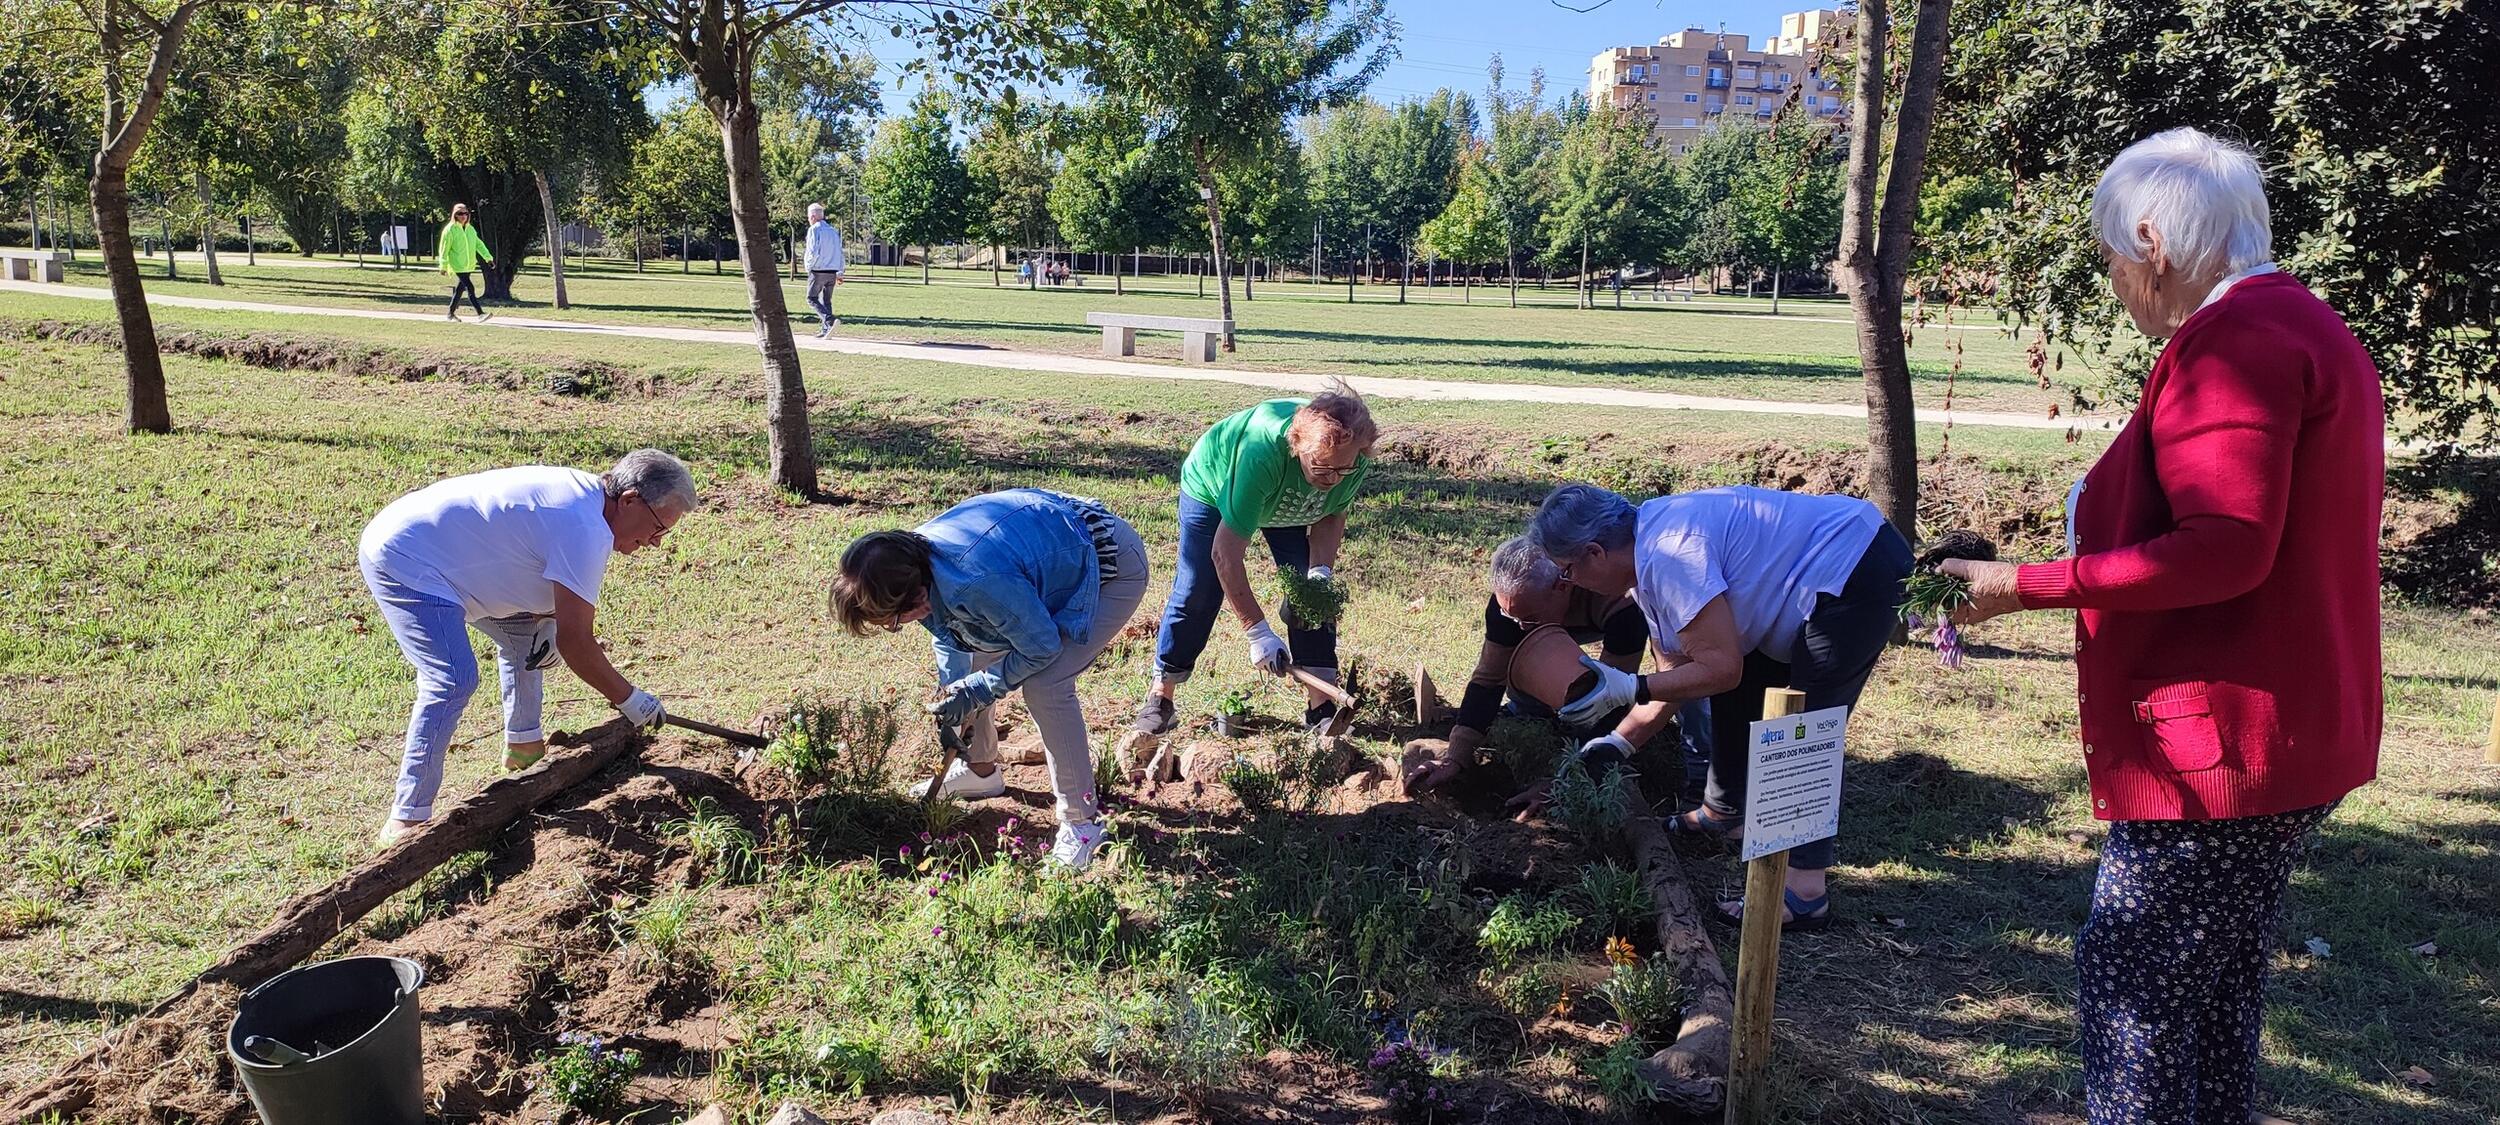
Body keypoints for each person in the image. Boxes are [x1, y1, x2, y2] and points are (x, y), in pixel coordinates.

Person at [1937, 128, 2382, 1125]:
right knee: (2212, 991)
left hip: (2221, 749)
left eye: (2108, 258)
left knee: (2132, 991)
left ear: (2152, 239)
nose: (2112, 281)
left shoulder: (2239, 344)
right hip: (2289, 732)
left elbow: (2224, 548)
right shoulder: (2305, 325)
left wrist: (2024, 583)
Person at [1530, 481, 1911, 931]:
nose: (1570, 583)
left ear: (1594, 553)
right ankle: (1723, 811)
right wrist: (1617, 742)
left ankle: (1805, 890)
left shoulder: (1671, 555)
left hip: (1854, 567)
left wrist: (1631, 687)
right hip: (1817, 573)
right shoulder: (1645, 558)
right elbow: (1680, 670)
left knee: (1805, 724)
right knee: (1742, 684)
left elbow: (1717, 668)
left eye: (1567, 571)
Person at [358, 450, 692, 845]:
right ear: (631, 500)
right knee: (452, 678)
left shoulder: (587, 498)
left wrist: (546, 621)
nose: (654, 543)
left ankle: (525, 749)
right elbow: (576, 642)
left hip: (449, 557)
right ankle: (406, 820)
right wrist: (631, 700)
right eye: (657, 529)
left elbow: (537, 568)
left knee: (524, 640)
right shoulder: (584, 527)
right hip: (409, 559)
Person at [831, 489, 1149, 871]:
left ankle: (1081, 824)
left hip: (1107, 561)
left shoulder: (973, 581)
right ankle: (981, 771)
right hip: (1046, 554)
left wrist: (978, 688)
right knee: (968, 673)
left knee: (1046, 684)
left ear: (917, 597)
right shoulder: (907, 565)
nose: (896, 627)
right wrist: (955, 698)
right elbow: (950, 636)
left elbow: (1041, 647)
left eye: (894, 622)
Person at [1135, 388, 1377, 738]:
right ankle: (1162, 695)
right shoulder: (1261, 454)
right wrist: (1258, 633)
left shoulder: (1351, 459)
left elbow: (1331, 513)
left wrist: (1320, 573)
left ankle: (1321, 707)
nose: (1333, 479)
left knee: (1311, 598)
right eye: (1323, 467)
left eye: (1343, 469)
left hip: (1289, 502)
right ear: (1297, 446)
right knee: (1198, 591)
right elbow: (1225, 554)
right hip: (1216, 486)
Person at [1400, 536, 1677, 804]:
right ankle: (1533, 711)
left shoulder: (1618, 601)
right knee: (1526, 670)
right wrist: (1455, 757)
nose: (1519, 625)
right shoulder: (1511, 606)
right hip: (1555, 621)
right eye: (1512, 616)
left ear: (1562, 586)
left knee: (1598, 693)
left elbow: (1610, 700)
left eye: (1528, 618)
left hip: (1636, 619)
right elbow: (1488, 679)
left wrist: (1564, 778)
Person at [439, 203, 494, 322]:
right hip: (457, 264)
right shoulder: (450, 230)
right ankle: (480, 313)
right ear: (455, 215)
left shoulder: (470, 229)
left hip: (468, 265)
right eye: (460, 213)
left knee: (460, 289)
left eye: (465, 213)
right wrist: (443, 265)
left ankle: (450, 314)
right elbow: (444, 249)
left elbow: (478, 244)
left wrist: (488, 258)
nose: (463, 216)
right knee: (470, 287)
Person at [802, 203, 845, 337]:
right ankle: (826, 330)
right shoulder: (833, 231)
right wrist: (840, 272)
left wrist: (808, 266)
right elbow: (839, 252)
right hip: (832, 270)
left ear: (813, 217)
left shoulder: (814, 230)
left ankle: (829, 320)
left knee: (811, 298)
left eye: (809, 217)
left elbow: (813, 251)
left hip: (819, 270)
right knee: (826, 300)